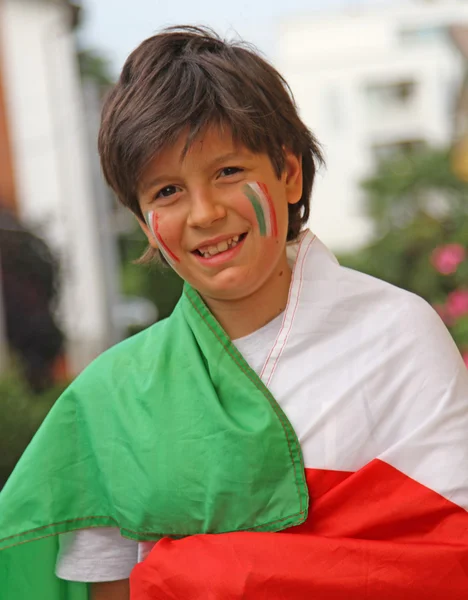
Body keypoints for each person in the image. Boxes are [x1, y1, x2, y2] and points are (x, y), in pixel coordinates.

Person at [1, 25, 468, 600]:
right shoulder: (112, 398)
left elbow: (447, 557)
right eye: (166, 192)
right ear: (144, 220)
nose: (204, 213)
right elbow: (114, 589)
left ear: (290, 174)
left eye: (228, 172)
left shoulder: (397, 335)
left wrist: (198, 574)